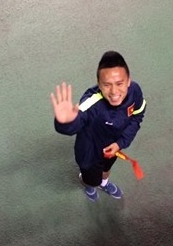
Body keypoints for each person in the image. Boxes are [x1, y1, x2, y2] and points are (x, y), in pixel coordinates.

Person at [50, 51, 147, 202]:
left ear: (128, 81)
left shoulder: (135, 91)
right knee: (91, 179)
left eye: (119, 83)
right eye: (107, 85)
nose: (114, 92)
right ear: (99, 84)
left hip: (113, 148)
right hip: (90, 154)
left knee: (106, 170)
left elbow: (137, 116)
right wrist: (65, 122)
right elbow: (75, 124)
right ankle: (89, 185)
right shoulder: (91, 103)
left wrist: (120, 143)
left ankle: (104, 183)